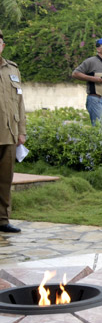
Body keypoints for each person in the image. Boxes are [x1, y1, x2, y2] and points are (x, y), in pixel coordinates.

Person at [0, 29, 27, 233]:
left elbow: (19, 102)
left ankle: (2, 220)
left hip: (8, 133)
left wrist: (21, 131)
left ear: (3, 46)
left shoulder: (12, 69)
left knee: (5, 179)